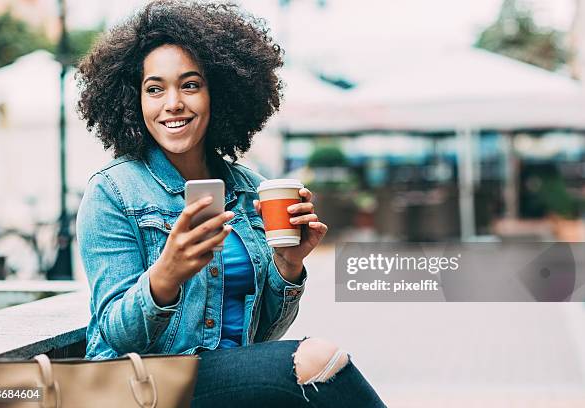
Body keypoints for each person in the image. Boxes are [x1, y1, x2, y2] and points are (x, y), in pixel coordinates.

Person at [76, 1, 385, 406]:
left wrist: (289, 267)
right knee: (317, 360)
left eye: (190, 85)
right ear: (134, 101)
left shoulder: (251, 190)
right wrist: (165, 277)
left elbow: (263, 337)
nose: (173, 103)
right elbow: (116, 334)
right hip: (137, 387)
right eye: (154, 89)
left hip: (221, 381)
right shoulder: (113, 192)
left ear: (217, 92)